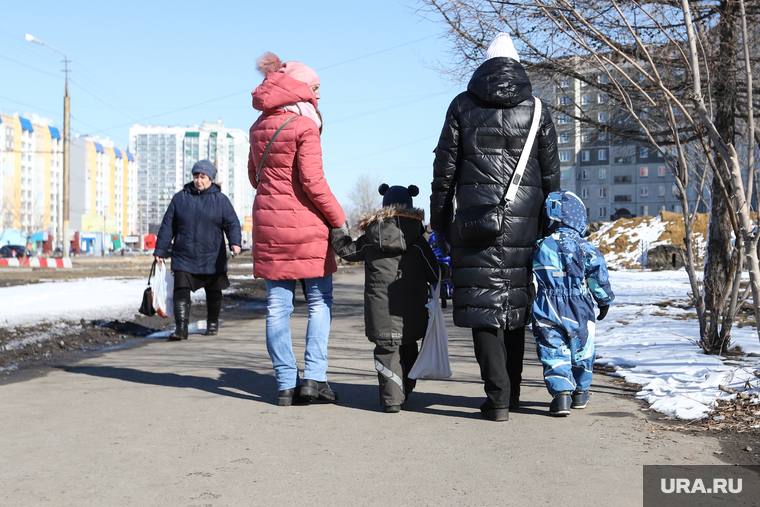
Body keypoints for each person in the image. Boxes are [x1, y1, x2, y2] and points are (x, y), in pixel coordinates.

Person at [429, 32, 561, 422]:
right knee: (515, 303)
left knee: (483, 306)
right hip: (526, 219)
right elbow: (552, 173)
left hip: (475, 222)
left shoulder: (462, 105)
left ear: (485, 64)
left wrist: (440, 222)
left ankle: (497, 397)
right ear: (517, 64)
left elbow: (444, 170)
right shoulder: (537, 109)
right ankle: (515, 391)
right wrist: (550, 222)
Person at [249, 52, 346, 407]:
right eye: (316, 89)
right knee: (319, 301)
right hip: (306, 228)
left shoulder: (258, 127)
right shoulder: (305, 126)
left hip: (270, 226)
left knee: (278, 306)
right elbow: (313, 181)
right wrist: (338, 219)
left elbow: (252, 176)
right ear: (300, 88)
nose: (318, 97)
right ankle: (315, 379)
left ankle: (286, 384)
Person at [331, 184, 448, 413]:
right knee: (409, 347)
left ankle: (391, 400)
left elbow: (347, 251)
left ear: (383, 205)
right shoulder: (417, 240)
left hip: (380, 312)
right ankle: (406, 387)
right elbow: (434, 274)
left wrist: (338, 229)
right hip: (411, 311)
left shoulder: (369, 237)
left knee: (386, 351)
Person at [531, 190, 614, 416]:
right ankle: (581, 392)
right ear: (578, 218)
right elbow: (598, 275)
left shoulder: (539, 245)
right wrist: (604, 300)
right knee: (583, 348)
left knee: (552, 348)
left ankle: (561, 396)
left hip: (546, 302)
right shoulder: (585, 247)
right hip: (579, 304)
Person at [154, 159, 242, 340]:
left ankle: (212, 323)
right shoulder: (180, 198)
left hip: (212, 254)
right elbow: (167, 225)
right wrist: (160, 250)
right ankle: (181, 328)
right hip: (184, 254)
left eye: (203, 177)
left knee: (214, 289)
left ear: (210, 179)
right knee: (180, 288)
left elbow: (232, 223)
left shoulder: (221, 200)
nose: (198, 180)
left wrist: (235, 242)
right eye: (196, 176)